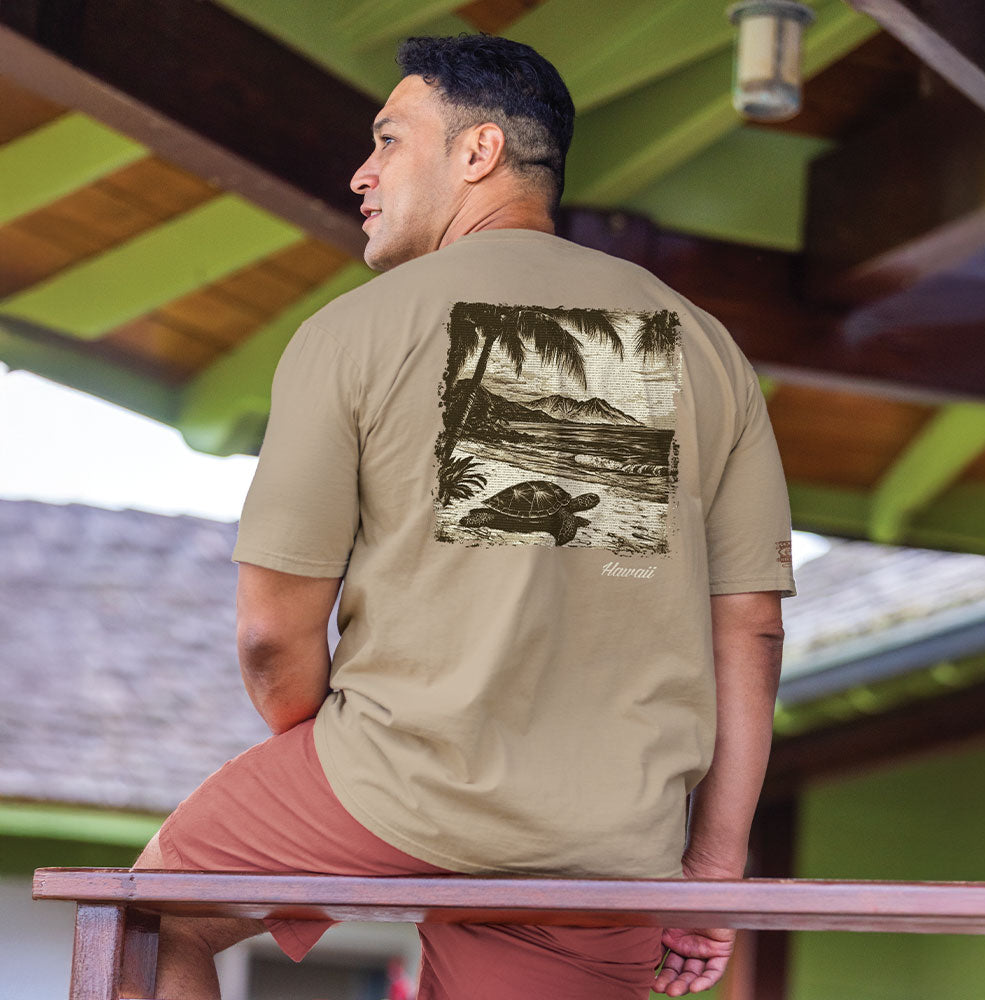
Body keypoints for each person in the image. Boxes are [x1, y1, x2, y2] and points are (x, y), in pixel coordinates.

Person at [131, 33, 795, 1000]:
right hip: (608, 839)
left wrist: (327, 756)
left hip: (391, 781)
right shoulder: (705, 348)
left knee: (145, 924)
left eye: (388, 140)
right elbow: (754, 626)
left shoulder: (356, 330)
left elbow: (272, 632)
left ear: (477, 152)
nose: (362, 173)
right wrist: (713, 867)